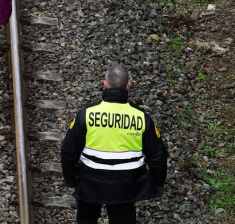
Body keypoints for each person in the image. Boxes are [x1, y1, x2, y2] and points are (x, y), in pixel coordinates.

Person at [60, 63, 168, 224]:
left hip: (90, 182)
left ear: (105, 85)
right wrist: (157, 183)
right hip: (126, 185)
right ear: (128, 86)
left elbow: (68, 151)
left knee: (86, 219)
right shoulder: (141, 117)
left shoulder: (87, 113)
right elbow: (158, 156)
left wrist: (70, 179)